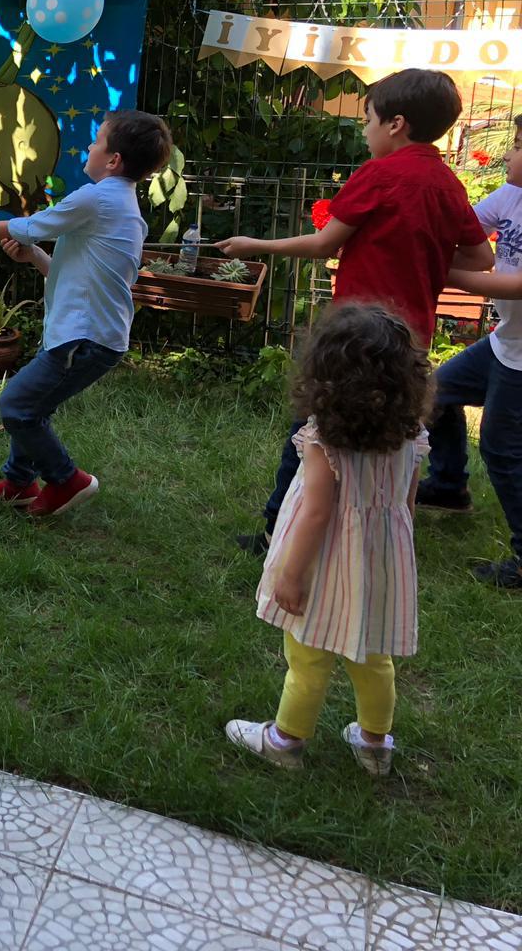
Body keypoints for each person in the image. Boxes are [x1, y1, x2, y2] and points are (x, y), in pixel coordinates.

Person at [217, 68, 493, 556]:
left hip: (355, 339)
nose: (365, 131)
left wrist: (254, 244)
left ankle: (277, 530)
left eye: (368, 120)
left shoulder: (380, 174)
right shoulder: (448, 183)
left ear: (396, 124)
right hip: (410, 341)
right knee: (392, 438)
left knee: (313, 430)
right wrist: (423, 259)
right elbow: (480, 258)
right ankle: (379, 536)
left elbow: (324, 243)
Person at [225, 304, 431, 775]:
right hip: (381, 560)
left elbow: (317, 513)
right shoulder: (412, 436)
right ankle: (375, 745)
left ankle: (285, 741)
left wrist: (291, 576)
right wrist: (398, 556)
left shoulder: (323, 440)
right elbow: (407, 503)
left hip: (324, 563)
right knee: (374, 656)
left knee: (308, 655)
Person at [0, 110, 173, 517]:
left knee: (16, 405)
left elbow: (28, 226)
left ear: (114, 160)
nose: (89, 146)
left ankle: (66, 479)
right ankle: (19, 482)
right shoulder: (120, 206)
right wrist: (34, 257)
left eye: (97, 141)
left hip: (84, 339)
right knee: (34, 406)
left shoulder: (97, 198)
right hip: (88, 335)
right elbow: (75, 277)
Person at [436, 116, 522, 586]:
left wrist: (442, 274)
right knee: (432, 393)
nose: (508, 153)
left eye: (518, 146)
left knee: (501, 447)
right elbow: (464, 230)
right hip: (505, 341)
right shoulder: (510, 195)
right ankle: (448, 486)